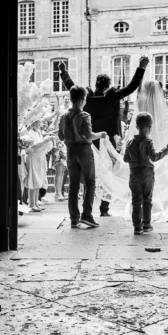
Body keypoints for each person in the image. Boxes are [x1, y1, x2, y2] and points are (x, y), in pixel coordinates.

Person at [59, 57, 148, 217]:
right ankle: (104, 208)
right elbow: (132, 87)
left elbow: (73, 88)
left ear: (96, 86)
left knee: (90, 176)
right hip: (109, 140)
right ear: (108, 86)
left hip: (90, 141)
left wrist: (63, 72)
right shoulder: (113, 97)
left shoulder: (88, 99)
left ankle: (84, 212)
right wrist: (141, 68)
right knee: (110, 173)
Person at [91, 79, 168, 222]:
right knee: (157, 175)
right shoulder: (162, 104)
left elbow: (137, 93)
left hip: (140, 142)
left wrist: (140, 77)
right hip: (157, 141)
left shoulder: (141, 103)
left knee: (138, 183)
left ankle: (137, 215)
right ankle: (154, 211)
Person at [57, 85, 108, 228]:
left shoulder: (64, 116)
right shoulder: (84, 115)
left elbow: (60, 136)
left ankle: (74, 217)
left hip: (70, 151)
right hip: (84, 150)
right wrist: (101, 134)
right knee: (90, 183)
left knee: (73, 185)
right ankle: (87, 215)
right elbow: (88, 135)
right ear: (83, 99)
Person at [123, 113, 168, 235]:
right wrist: (166, 150)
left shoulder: (130, 143)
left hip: (134, 174)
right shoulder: (148, 142)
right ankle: (146, 224)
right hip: (147, 173)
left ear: (136, 126)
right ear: (149, 127)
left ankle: (137, 226)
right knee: (147, 199)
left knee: (136, 200)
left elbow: (125, 159)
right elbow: (154, 157)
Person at [23, 119, 53, 212]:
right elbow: (32, 146)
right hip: (33, 158)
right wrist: (45, 141)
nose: (39, 125)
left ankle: (36, 202)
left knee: (39, 180)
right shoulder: (28, 133)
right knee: (34, 180)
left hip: (40, 157)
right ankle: (31, 204)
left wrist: (47, 142)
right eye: (37, 123)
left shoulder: (39, 133)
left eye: (39, 123)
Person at [50, 136, 68, 201]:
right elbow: (57, 145)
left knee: (61, 175)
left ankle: (59, 193)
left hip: (64, 154)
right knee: (59, 174)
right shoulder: (58, 135)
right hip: (59, 154)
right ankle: (57, 193)